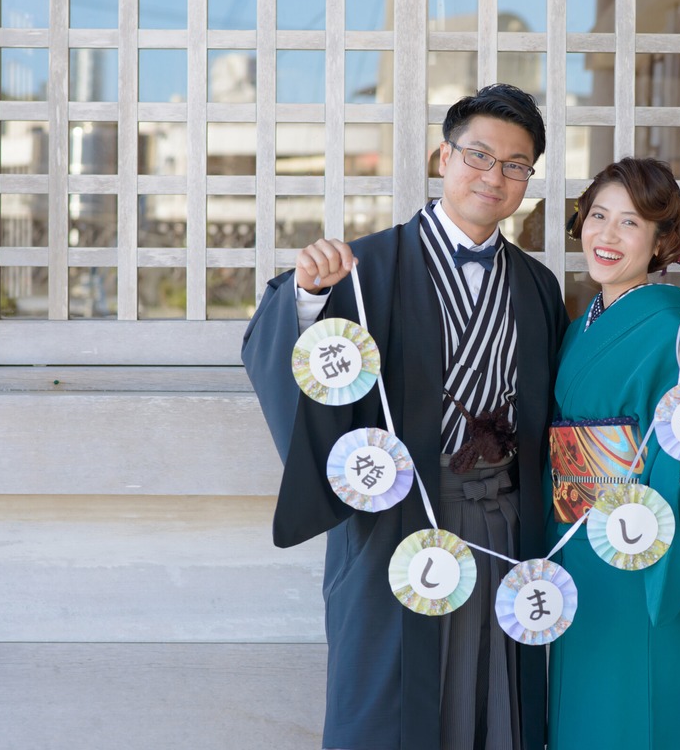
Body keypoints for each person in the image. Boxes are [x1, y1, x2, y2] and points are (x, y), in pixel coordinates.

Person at [241, 84, 568, 750]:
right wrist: (306, 297)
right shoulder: (366, 267)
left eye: (516, 165)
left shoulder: (536, 284)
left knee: (495, 695)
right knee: (389, 703)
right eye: (478, 155)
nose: (494, 176)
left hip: (504, 524)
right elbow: (287, 357)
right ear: (442, 158)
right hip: (396, 522)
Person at [545, 157, 680, 750]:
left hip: (637, 550)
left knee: (636, 711)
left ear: (662, 242)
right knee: (583, 710)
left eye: (629, 223)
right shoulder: (580, 324)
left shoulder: (674, 329)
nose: (606, 235)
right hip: (570, 550)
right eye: (597, 216)